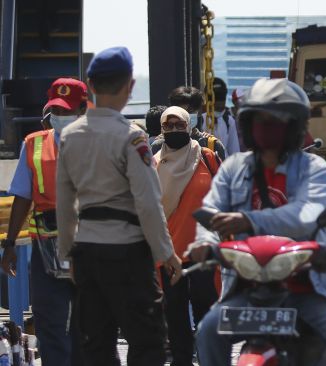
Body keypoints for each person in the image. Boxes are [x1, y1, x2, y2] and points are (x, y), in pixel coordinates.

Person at [190, 78, 326, 366]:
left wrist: (247, 220)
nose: (267, 127)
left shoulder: (313, 167)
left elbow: (306, 215)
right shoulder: (233, 168)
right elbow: (211, 213)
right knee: (208, 332)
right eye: (260, 120)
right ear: (247, 123)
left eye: (276, 121)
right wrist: (204, 243)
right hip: (247, 287)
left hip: (308, 286)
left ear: (294, 125)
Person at [55, 46, 183, 366]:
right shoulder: (131, 136)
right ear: (130, 86)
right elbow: (148, 202)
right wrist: (166, 252)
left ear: (91, 85)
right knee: (148, 343)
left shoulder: (69, 136)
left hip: (86, 250)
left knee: (96, 346)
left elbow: (65, 202)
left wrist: (67, 253)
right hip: (127, 251)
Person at [2, 78, 87, 366]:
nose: (60, 118)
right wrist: (10, 244)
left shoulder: (102, 144)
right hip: (46, 248)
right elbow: (23, 198)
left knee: (86, 324)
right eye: (56, 111)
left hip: (91, 246)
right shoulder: (33, 144)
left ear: (83, 109)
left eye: (67, 111)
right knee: (48, 321)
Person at [152, 106, 220, 366]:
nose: (174, 131)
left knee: (207, 309)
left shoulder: (207, 158)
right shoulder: (155, 162)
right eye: (168, 127)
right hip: (169, 253)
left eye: (179, 125)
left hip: (204, 250)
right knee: (175, 313)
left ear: (189, 126)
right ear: (161, 130)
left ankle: (209, 358)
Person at [151, 86, 227, 160]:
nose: (186, 115)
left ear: (199, 113)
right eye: (181, 112)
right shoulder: (159, 146)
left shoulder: (212, 145)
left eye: (190, 111)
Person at [203, 77, 240, 157]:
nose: (220, 107)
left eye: (221, 108)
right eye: (216, 108)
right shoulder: (201, 119)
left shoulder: (229, 121)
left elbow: (234, 150)